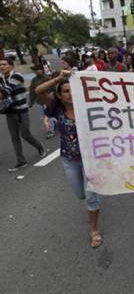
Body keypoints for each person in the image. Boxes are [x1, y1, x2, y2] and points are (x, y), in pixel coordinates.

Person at [35, 71, 102, 247]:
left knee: (90, 197)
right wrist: (58, 78)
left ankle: (94, 230)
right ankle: (91, 199)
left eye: (73, 90)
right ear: (59, 95)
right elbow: (39, 91)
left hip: (90, 160)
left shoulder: (88, 106)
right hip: (69, 160)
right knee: (80, 194)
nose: (70, 94)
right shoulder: (56, 108)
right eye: (65, 91)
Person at [0, 58, 46, 172]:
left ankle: (40, 146)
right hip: (9, 111)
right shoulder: (1, 78)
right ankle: (21, 161)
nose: (1, 67)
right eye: (0, 65)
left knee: (25, 135)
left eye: (4, 64)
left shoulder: (17, 76)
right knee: (14, 137)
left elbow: (6, 90)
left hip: (21, 111)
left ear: (11, 66)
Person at [29, 64, 56, 139]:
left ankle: (51, 131)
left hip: (47, 101)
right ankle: (55, 124)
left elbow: (53, 89)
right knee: (45, 116)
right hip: (39, 101)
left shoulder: (47, 78)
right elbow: (32, 91)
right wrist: (31, 102)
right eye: (34, 70)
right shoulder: (34, 80)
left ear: (42, 70)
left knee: (48, 116)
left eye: (37, 70)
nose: (35, 72)